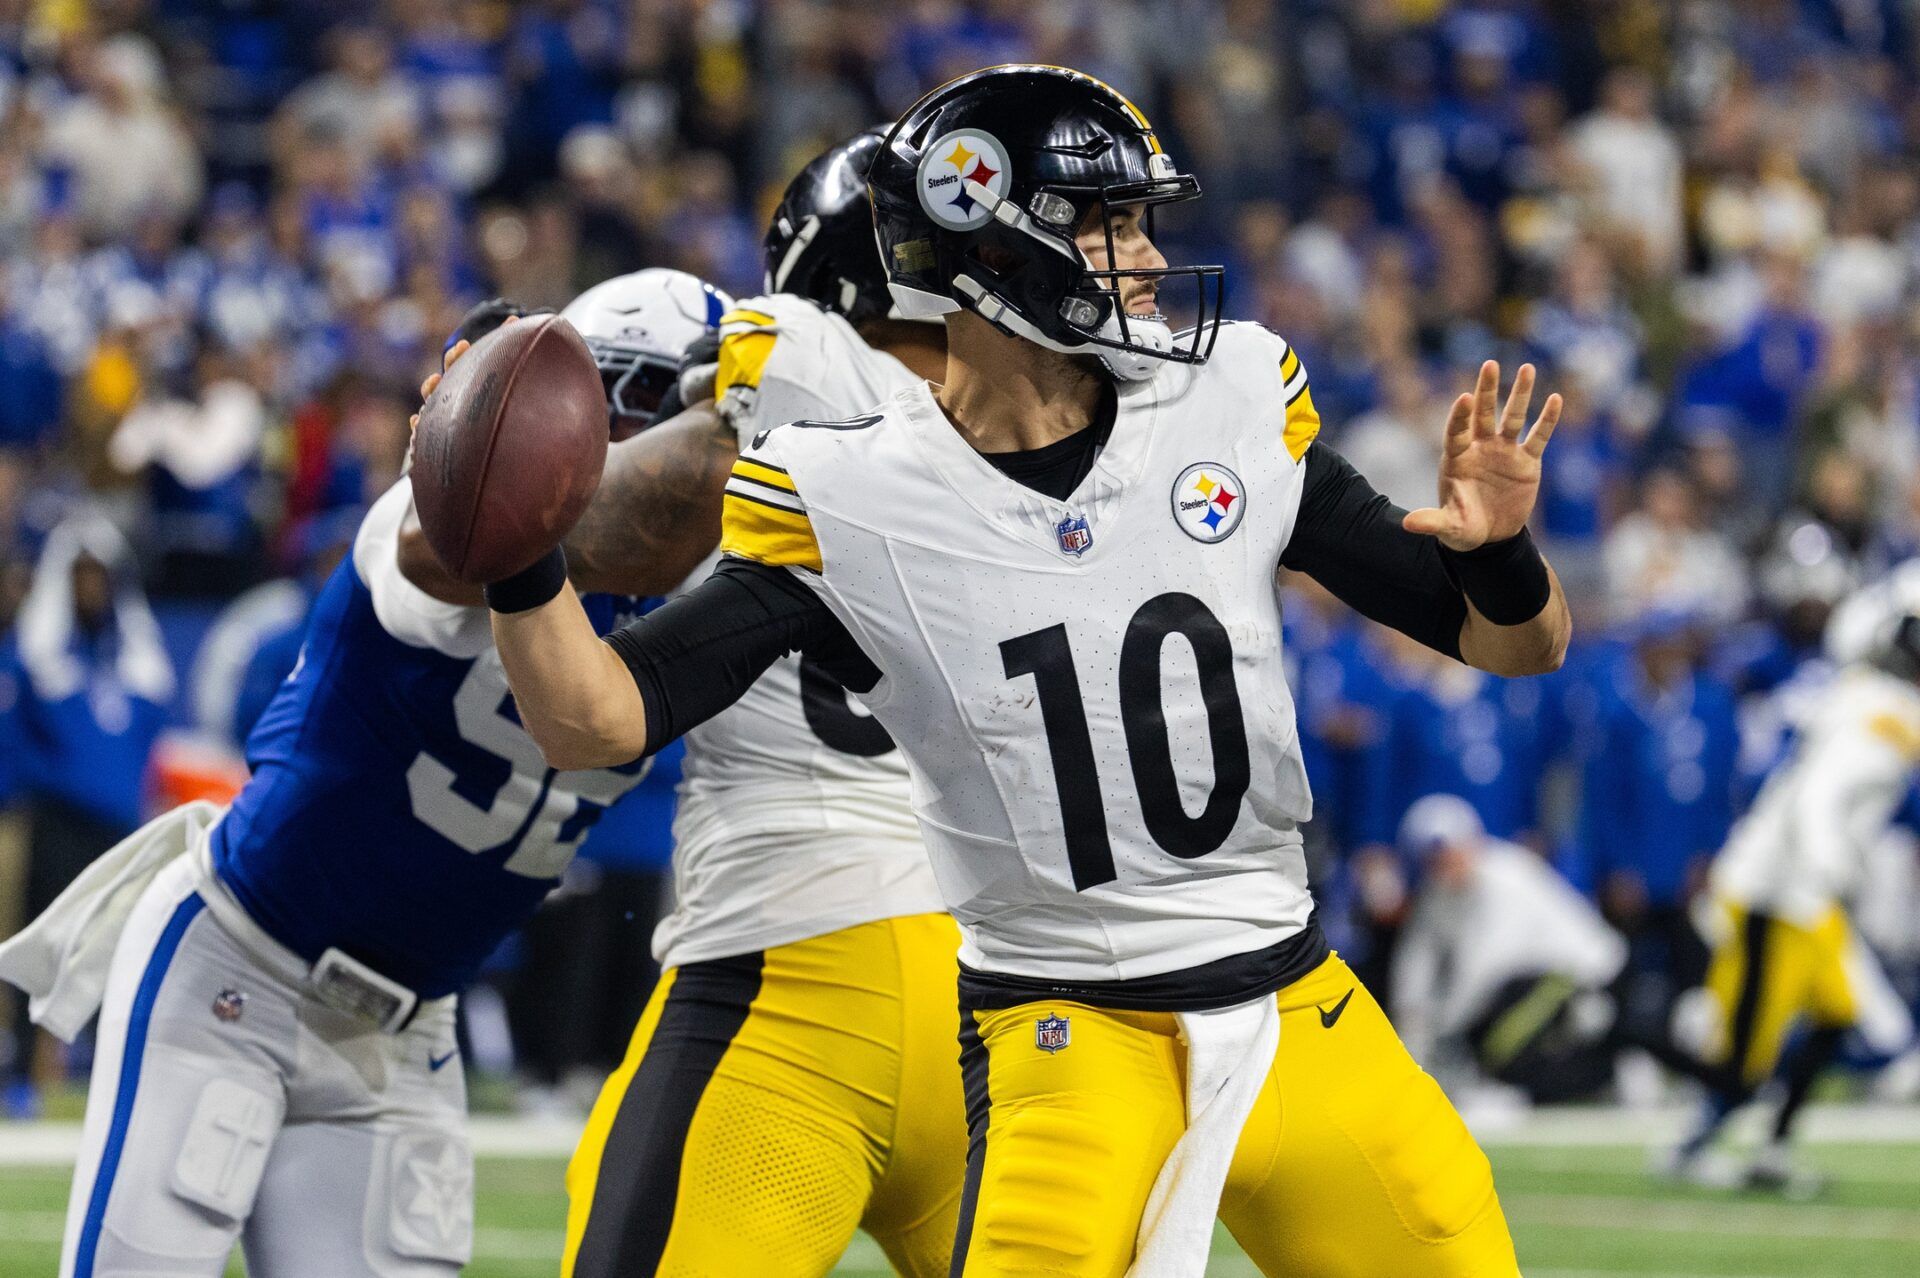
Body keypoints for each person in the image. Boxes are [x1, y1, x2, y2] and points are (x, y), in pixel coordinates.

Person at [473, 66, 1570, 1277]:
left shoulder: (1230, 400)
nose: (1147, 258)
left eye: (1145, 221)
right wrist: (516, 561)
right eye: (1107, 223)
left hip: (1303, 1013)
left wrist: (1504, 555)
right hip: (1070, 1040)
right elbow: (599, 716)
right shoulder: (848, 492)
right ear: (979, 246)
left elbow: (1514, 646)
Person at [0, 273, 719, 1278]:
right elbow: (471, 531)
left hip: (405, 1039)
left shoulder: (711, 612)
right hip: (237, 968)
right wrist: (676, 447)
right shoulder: (437, 518)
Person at [553, 131, 966, 1278]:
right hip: (1006, 989)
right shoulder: (1042, 438)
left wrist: (522, 481)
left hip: (802, 965)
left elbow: (608, 535)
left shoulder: (796, 352)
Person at [1666, 588, 1920, 1196]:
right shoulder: (1887, 714)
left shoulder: (1863, 694)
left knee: (1837, 1015)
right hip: (1779, 891)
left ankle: (1773, 1145)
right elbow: (1819, 798)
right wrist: (1834, 868)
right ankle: (1693, 1145)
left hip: (1792, 885)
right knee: (1754, 1033)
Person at [1, 512, 173, 1117]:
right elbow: (15, 741)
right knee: (37, 946)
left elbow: (152, 745)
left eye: (100, 575)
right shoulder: (37, 656)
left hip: (119, 828)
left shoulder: (137, 664)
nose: (91, 587)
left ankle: (108, 1072)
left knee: (121, 949)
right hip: (55, 821)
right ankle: (22, 1071)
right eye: (80, 575)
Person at [1391, 794, 1627, 1103]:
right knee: (1497, 1029)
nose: (1445, 864)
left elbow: (1486, 968)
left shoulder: (1506, 876)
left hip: (1589, 975)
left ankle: (1610, 1071)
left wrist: (1438, 1029)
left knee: (1501, 1044)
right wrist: (1408, 1020)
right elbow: (1416, 957)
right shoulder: (1437, 893)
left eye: (1450, 852)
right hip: (1533, 982)